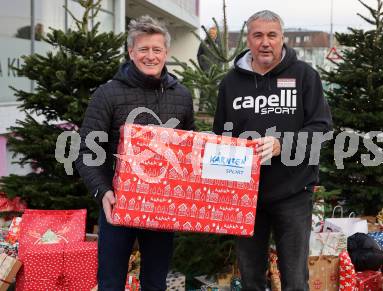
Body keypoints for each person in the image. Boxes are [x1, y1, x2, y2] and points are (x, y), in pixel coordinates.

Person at [213, 10, 332, 291]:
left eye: (271, 35)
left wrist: (282, 144)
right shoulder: (231, 83)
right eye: (258, 35)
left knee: (294, 279)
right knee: (251, 278)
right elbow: (220, 137)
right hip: (245, 195)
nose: (265, 42)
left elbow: (323, 129)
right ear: (249, 40)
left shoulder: (304, 76)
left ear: (282, 39)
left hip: (293, 193)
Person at [75, 15, 195, 290]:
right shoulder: (107, 95)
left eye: (156, 49)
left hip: (162, 208)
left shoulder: (182, 96)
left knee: (155, 283)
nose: (150, 56)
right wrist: (102, 191)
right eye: (143, 49)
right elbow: (86, 152)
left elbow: (189, 150)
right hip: (117, 206)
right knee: (110, 284)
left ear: (166, 52)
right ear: (131, 52)